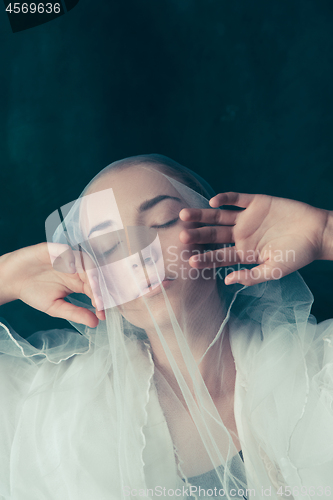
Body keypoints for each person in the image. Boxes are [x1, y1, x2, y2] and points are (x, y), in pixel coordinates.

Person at [0, 154, 332, 500]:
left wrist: (326, 232)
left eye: (162, 221)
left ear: (214, 232)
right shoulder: (55, 410)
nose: (137, 252)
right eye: (107, 246)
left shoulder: (320, 373)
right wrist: (5, 275)